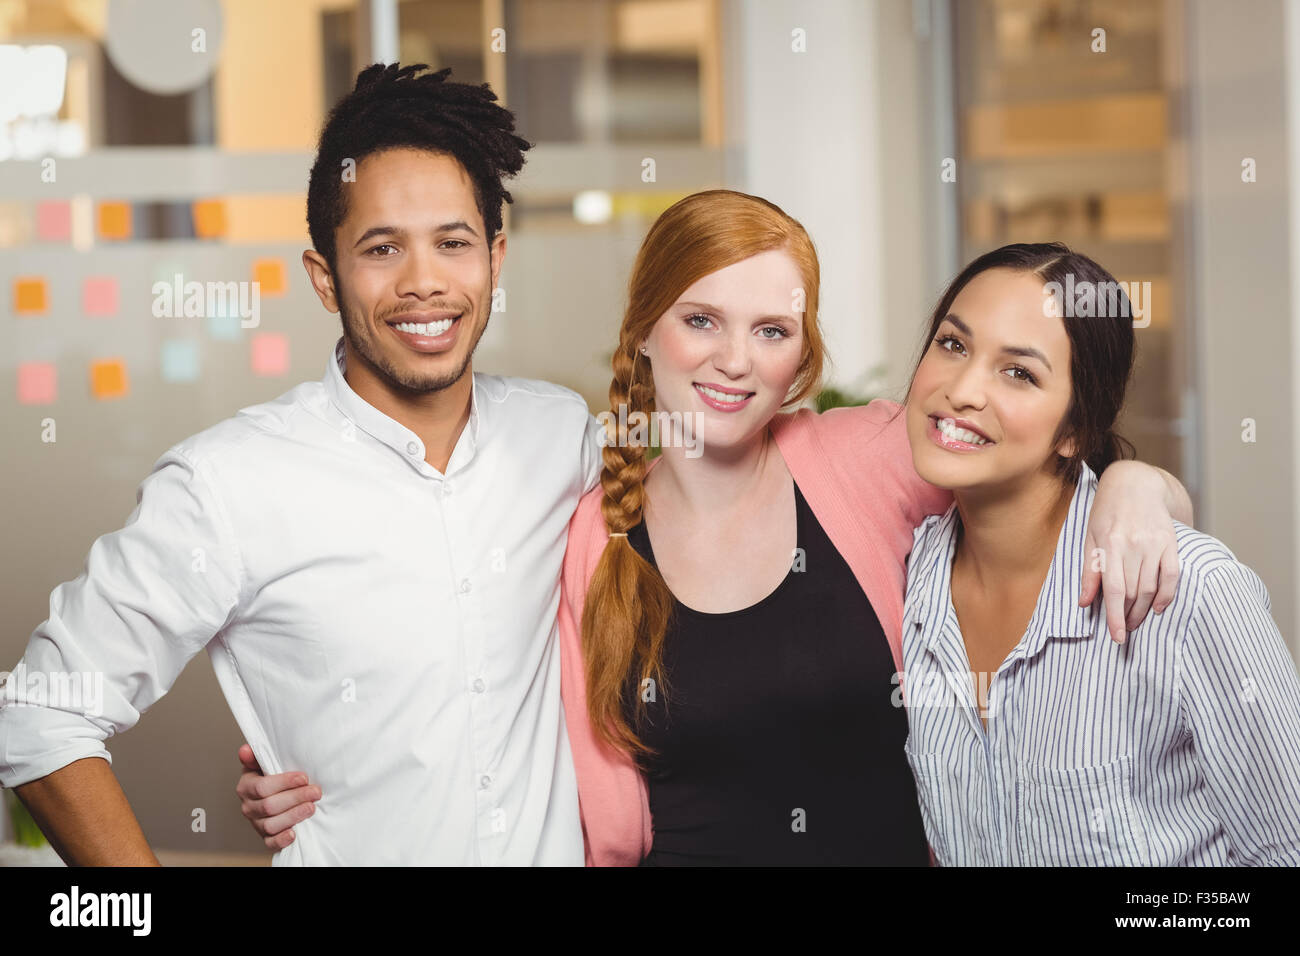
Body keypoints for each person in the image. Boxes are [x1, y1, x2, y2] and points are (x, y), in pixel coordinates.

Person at [237, 193, 1194, 864]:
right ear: (645, 329)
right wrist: (320, 759)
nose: (734, 362)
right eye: (702, 320)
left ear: (799, 356)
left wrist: (1138, 483)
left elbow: (1028, 454)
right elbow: (468, 687)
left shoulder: (868, 457)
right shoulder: (585, 531)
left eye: (772, 331)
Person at [0, 63, 603, 865]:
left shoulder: (560, 433)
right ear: (325, 277)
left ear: (495, 258)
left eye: (453, 243)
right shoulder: (229, 485)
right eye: (381, 248)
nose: (425, 282)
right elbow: (41, 712)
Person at [900, 242, 1300, 865]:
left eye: (1019, 372)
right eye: (953, 344)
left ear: (1075, 432)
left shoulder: (1191, 589)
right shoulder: (912, 569)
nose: (961, 390)